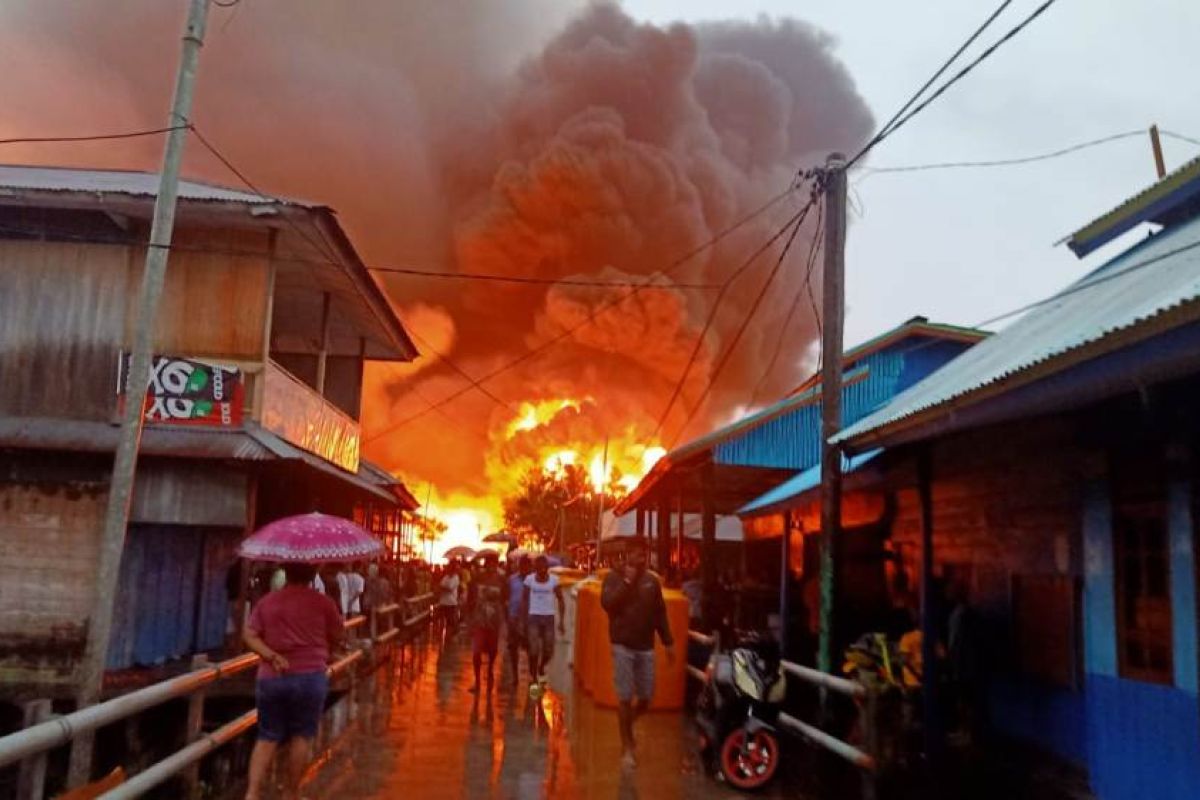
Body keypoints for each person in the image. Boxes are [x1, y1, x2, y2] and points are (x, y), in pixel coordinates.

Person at [243, 562, 343, 800]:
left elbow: (249, 634)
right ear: (313, 575)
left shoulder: (268, 601)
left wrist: (271, 655)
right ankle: (291, 793)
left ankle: (251, 793)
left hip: (272, 677)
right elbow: (339, 633)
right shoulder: (323, 603)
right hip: (310, 677)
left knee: (267, 737)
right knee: (302, 736)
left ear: (285, 573)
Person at [601, 545, 675, 770]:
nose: (642, 557)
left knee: (646, 697)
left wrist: (668, 641)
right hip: (622, 645)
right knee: (625, 697)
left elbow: (659, 612)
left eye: (644, 554)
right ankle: (627, 748)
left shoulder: (652, 582)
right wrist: (626, 583)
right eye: (638, 553)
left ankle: (627, 723)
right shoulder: (614, 578)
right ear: (628, 554)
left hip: (646, 647)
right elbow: (607, 604)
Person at [521, 555, 565, 685]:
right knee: (534, 649)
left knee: (549, 649)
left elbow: (561, 599)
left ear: (547, 568)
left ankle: (541, 666)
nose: (541, 571)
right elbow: (524, 599)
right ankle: (533, 673)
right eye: (539, 568)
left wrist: (561, 620)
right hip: (533, 616)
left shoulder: (554, 580)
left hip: (548, 617)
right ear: (535, 568)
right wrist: (523, 619)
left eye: (544, 568)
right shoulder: (529, 580)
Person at [467, 554, 506, 694]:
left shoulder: (502, 580)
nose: (491, 566)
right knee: (476, 651)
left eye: (494, 563)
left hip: (494, 621)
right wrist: (469, 618)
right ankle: (477, 680)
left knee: (492, 651)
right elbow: (470, 597)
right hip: (479, 619)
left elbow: (505, 599)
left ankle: (490, 670)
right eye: (489, 563)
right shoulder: (477, 578)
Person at [505, 556, 533, 686]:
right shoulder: (511, 580)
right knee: (513, 648)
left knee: (530, 649)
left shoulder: (534, 581)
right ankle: (515, 677)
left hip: (529, 619)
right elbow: (506, 597)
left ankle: (532, 676)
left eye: (527, 566)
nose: (524, 569)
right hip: (514, 619)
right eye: (522, 566)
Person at [438, 563, 461, 630]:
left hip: (451, 603)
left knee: (451, 622)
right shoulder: (445, 577)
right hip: (443, 602)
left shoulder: (456, 577)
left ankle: (451, 636)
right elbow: (440, 586)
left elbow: (450, 588)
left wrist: (443, 588)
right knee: (442, 623)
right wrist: (444, 588)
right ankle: (446, 637)